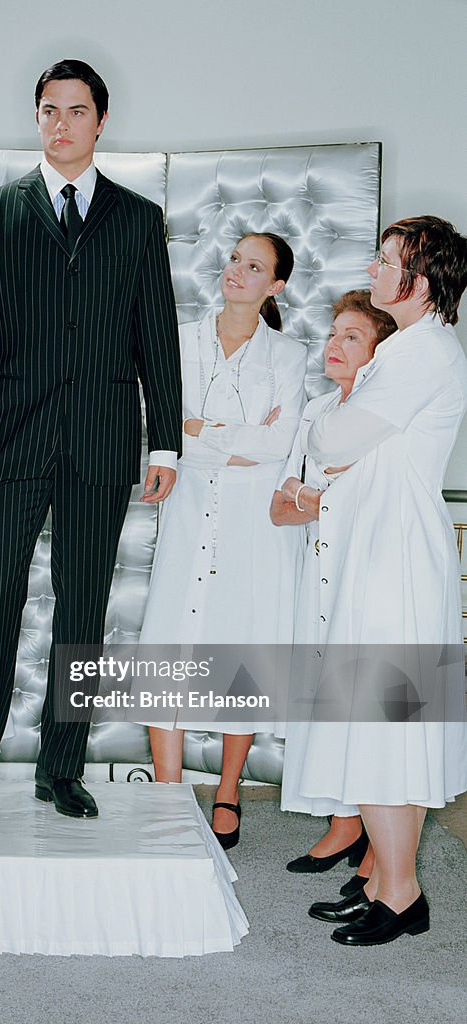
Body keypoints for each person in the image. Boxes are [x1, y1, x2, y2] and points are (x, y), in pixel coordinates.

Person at [0, 59, 182, 831]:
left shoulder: (138, 220)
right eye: (48, 111)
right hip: (8, 441)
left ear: (102, 121)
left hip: (101, 445)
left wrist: (163, 445)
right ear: (36, 119)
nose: (61, 124)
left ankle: (60, 771)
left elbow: (156, 340)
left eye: (75, 110)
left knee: (82, 614)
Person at [272, 217, 467, 945]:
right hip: (379, 547)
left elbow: (333, 438)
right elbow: (338, 444)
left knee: (390, 725)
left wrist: (335, 433)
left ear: (416, 280)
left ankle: (402, 891)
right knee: (381, 722)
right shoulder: (413, 349)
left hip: (397, 559)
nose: (375, 270)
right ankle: (388, 881)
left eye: (386, 261)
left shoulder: (420, 352)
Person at [136, 233, 306, 849]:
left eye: (254, 266)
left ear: (276, 285)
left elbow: (279, 443)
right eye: (235, 259)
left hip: (250, 519)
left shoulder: (287, 355)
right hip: (188, 508)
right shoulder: (178, 342)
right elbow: (158, 425)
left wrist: (199, 430)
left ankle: (228, 790)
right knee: (169, 641)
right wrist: (222, 436)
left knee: (243, 646)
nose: (237, 271)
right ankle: (167, 789)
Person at [272, 291, 395, 885]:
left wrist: (310, 496)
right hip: (315, 578)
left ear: (377, 354)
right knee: (325, 706)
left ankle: (378, 839)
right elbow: (280, 507)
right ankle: (344, 823)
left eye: (351, 336)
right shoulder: (316, 409)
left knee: (369, 706)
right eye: (333, 333)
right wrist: (319, 499)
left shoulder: (381, 415)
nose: (334, 345)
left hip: (368, 574)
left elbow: (369, 504)